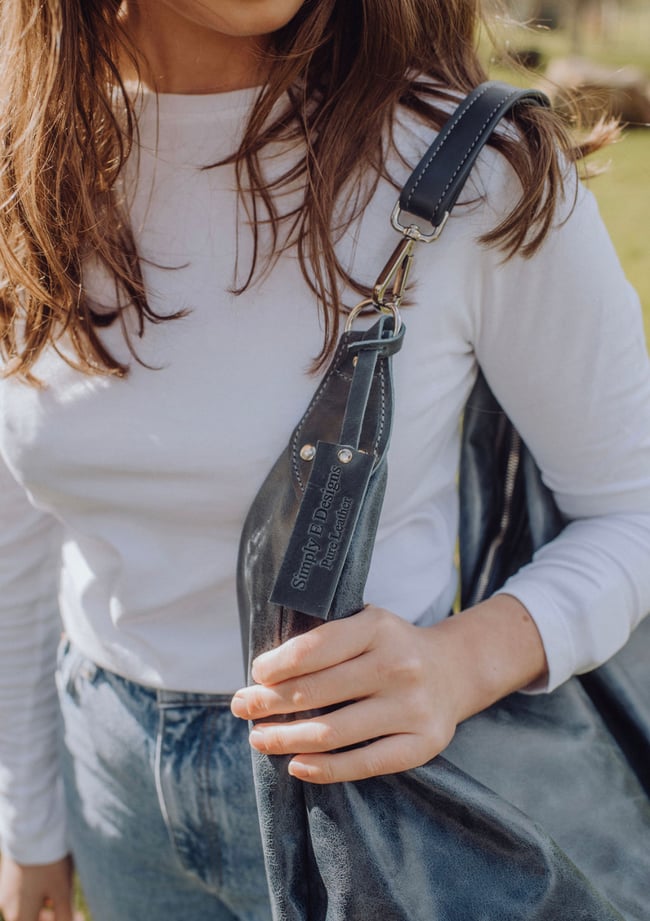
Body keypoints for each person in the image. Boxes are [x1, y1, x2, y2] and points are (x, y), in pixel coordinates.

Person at [0, 1, 649, 919]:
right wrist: (28, 817)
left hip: (378, 791)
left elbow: (633, 508)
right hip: (111, 792)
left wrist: (459, 664)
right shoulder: (27, 160)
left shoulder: (476, 166)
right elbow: (22, 527)